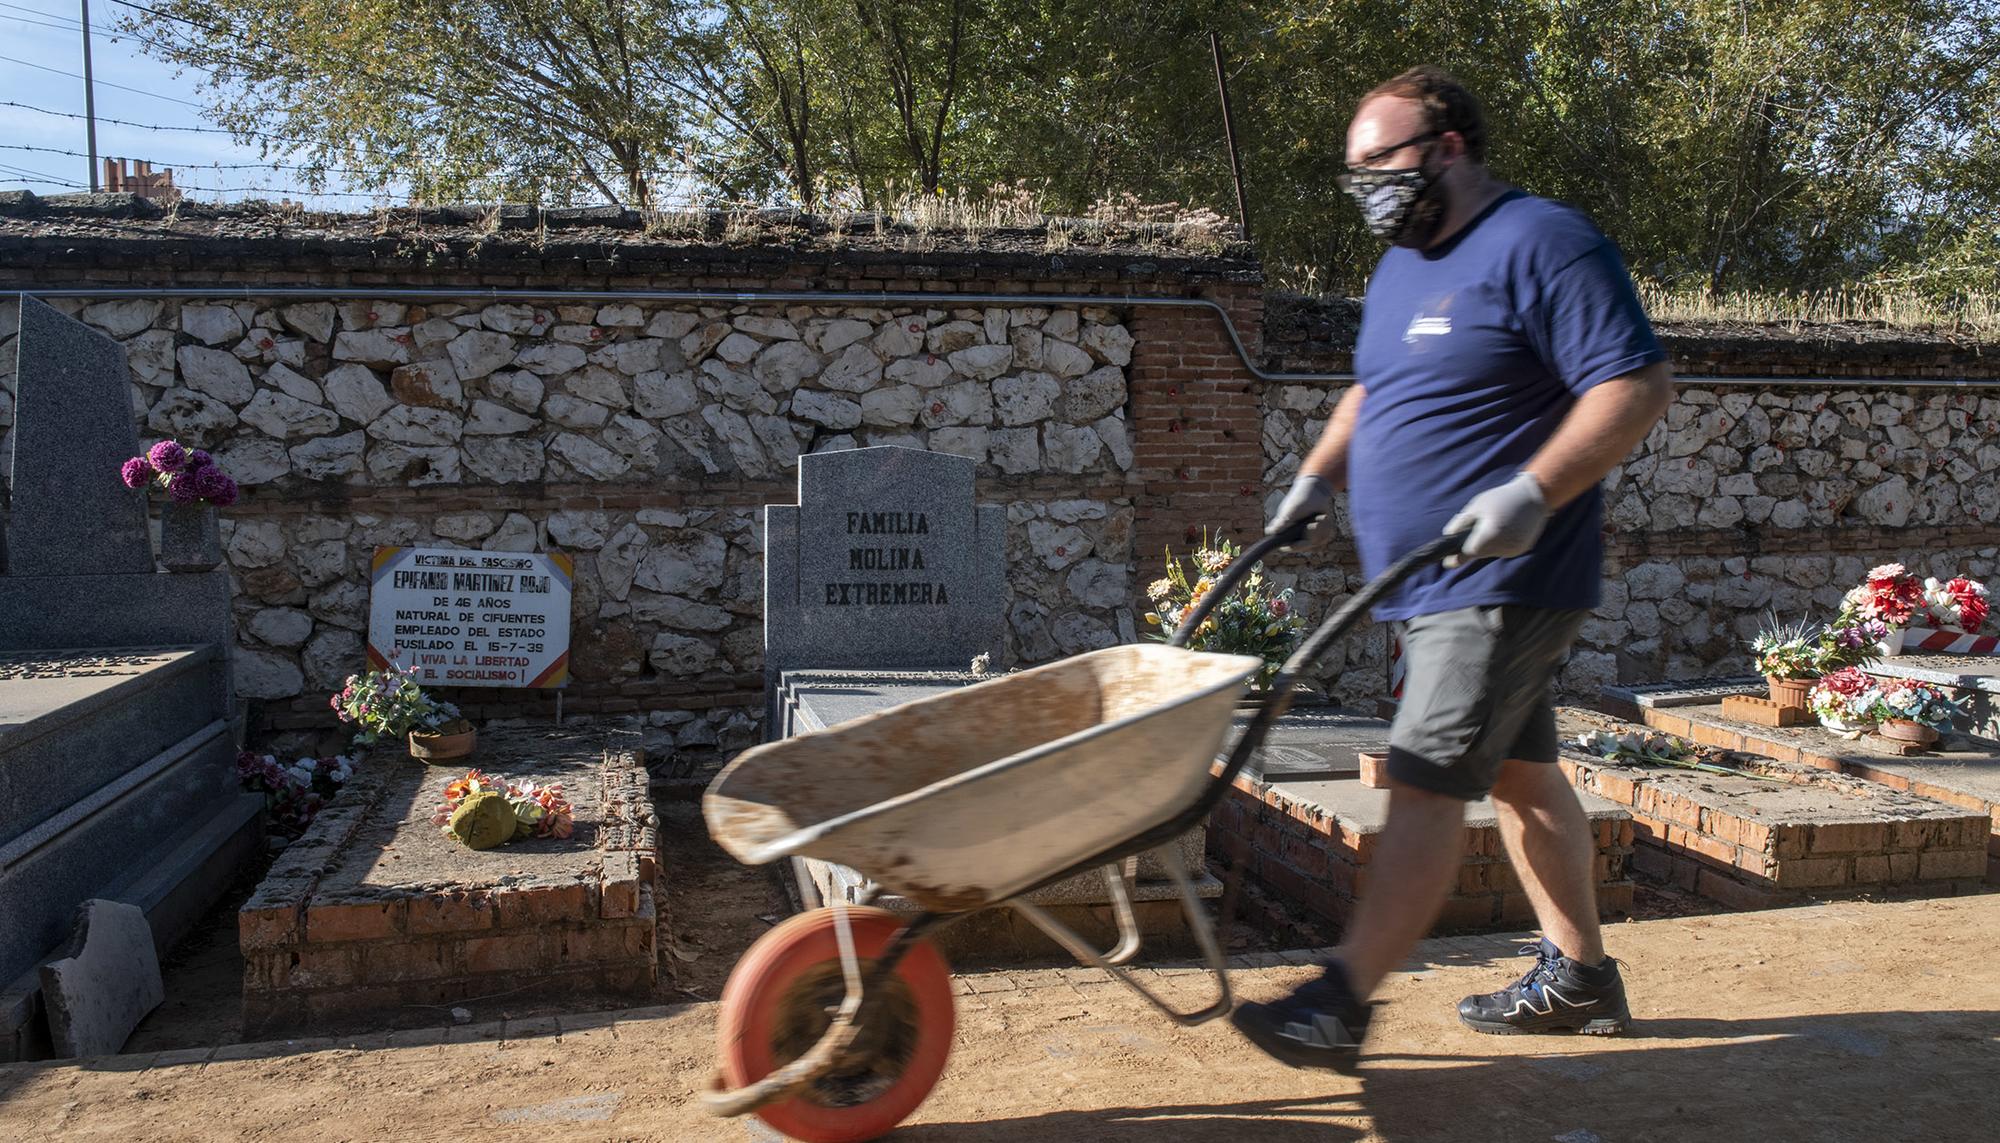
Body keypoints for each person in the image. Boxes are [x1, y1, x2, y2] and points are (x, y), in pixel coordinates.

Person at [1231, 65, 1675, 1068]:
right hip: (1427, 587)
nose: (1362, 185)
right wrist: (1312, 479)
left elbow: (1635, 385)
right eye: (1351, 169)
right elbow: (1369, 391)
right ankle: (1578, 977)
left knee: (1425, 778)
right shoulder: (1401, 268)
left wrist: (1531, 491)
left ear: (1446, 149)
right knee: (1520, 778)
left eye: (1377, 161)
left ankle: (1338, 1000)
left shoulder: (1541, 242)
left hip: (1500, 578)